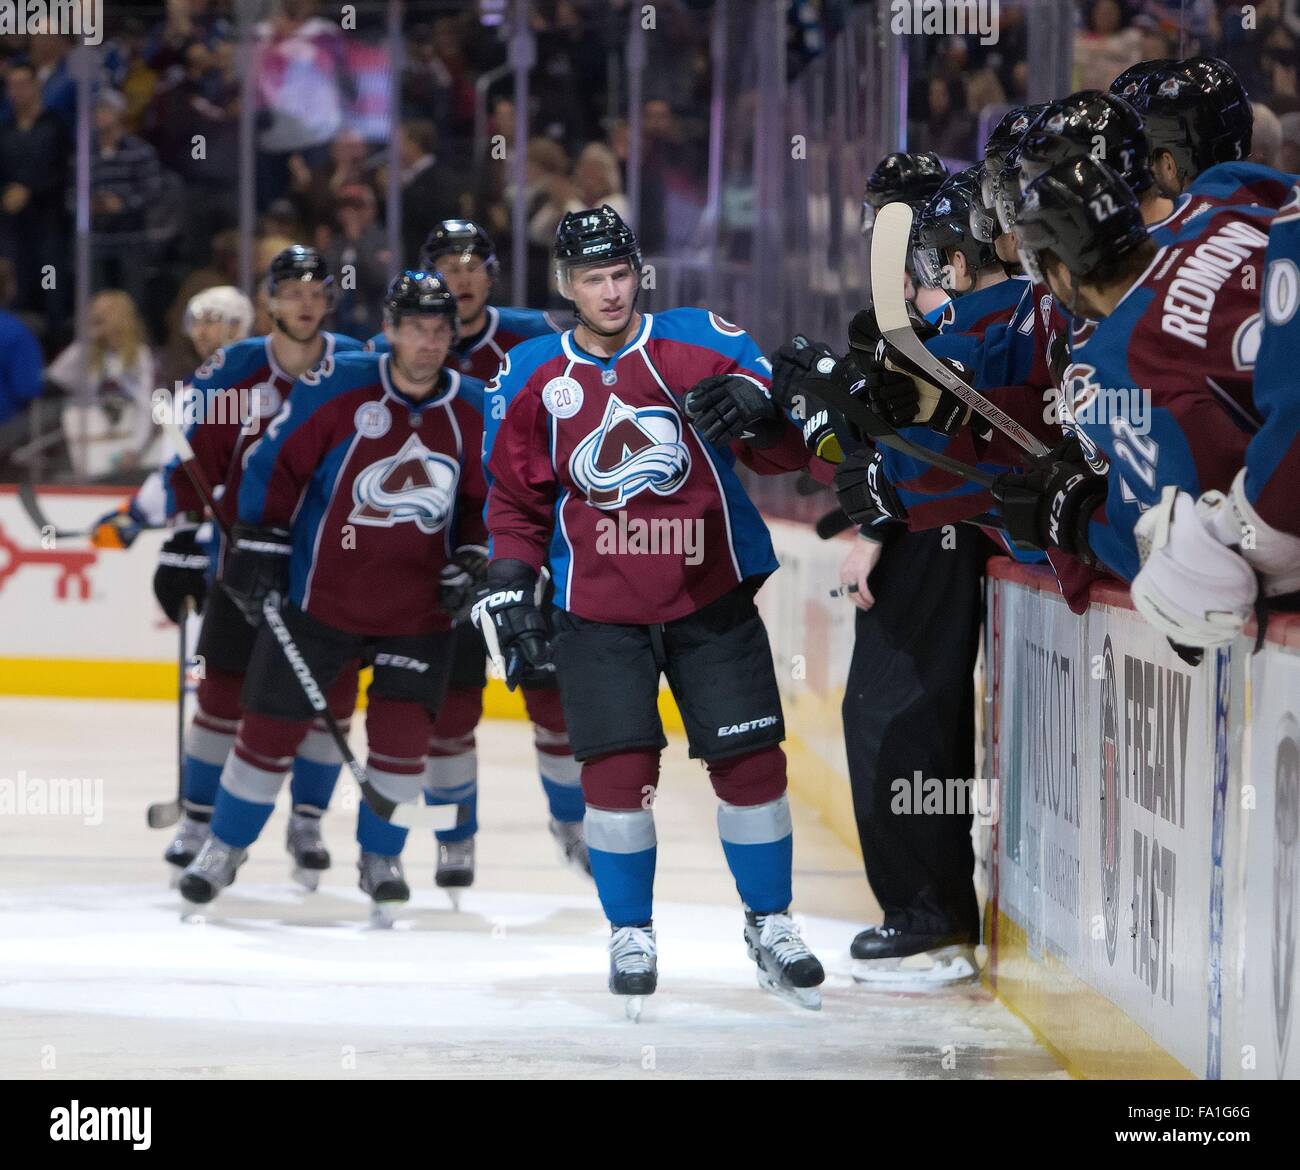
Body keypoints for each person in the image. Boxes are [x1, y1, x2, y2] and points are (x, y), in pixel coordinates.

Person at [476, 205, 825, 1009]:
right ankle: (630, 930)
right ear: (565, 285)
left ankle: (770, 922)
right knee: (619, 772)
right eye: (593, 278)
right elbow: (517, 503)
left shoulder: (699, 340)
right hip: (597, 609)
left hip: (709, 597)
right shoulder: (532, 372)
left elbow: (781, 419)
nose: (610, 291)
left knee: (751, 765)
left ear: (641, 273)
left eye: (621, 273)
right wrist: (507, 577)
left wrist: (760, 401)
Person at [178, 272, 489, 919]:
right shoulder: (342, 387)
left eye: (440, 330)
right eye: (415, 328)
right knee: (266, 731)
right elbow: (272, 465)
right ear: (390, 330)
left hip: (419, 612)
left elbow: (487, 503)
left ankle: (382, 855)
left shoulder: (473, 406)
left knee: (404, 744)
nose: (429, 342)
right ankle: (224, 846)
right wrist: (258, 546)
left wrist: (473, 557)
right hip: (321, 603)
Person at [369, 220, 582, 892]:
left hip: (533, 546)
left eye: (473, 264)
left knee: (553, 698)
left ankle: (572, 824)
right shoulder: (394, 348)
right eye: (446, 263)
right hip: (444, 556)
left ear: (492, 274)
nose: (461, 277)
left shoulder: (538, 337)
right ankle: (455, 841)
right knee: (452, 709)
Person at [154, 246, 365, 888]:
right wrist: (184, 543)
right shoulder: (235, 369)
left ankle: (306, 821)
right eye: (290, 290)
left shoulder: (358, 366)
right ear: (269, 300)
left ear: (329, 298)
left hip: (330, 565)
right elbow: (196, 464)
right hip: (244, 558)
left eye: (315, 290)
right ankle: (197, 820)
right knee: (221, 693)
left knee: (329, 695)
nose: (304, 302)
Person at [90, 287, 255, 550]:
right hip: (202, 536)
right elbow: (175, 468)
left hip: (249, 532)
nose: (200, 331)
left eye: (210, 321)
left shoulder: (266, 386)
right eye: (196, 322)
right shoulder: (187, 394)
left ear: (237, 326)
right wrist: (134, 513)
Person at [47, 291, 158, 477]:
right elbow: (57, 375)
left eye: (104, 312)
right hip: (94, 438)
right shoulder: (90, 352)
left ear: (120, 316)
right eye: (94, 311)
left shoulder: (139, 355)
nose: (96, 316)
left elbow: (145, 404)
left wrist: (135, 448)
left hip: (130, 437)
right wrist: (86, 340)